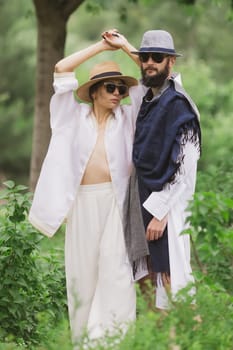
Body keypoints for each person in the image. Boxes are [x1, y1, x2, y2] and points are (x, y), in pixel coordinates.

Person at [28, 37, 142, 347]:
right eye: (111, 88)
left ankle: (115, 340)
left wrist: (126, 46)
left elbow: (149, 79)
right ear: (94, 91)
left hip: (118, 204)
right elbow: (62, 68)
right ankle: (83, 342)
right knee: (82, 275)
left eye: (122, 88)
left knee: (116, 273)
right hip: (80, 204)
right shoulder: (71, 116)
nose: (118, 93)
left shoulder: (130, 118)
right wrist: (102, 48)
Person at [103, 29, 201, 310]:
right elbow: (149, 74)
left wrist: (161, 213)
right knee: (149, 276)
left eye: (157, 57)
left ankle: (194, 335)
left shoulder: (179, 105)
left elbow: (186, 166)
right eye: (144, 57)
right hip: (141, 196)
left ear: (171, 62)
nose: (149, 62)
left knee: (172, 278)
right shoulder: (149, 98)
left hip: (165, 205)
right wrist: (124, 46)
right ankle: (167, 340)